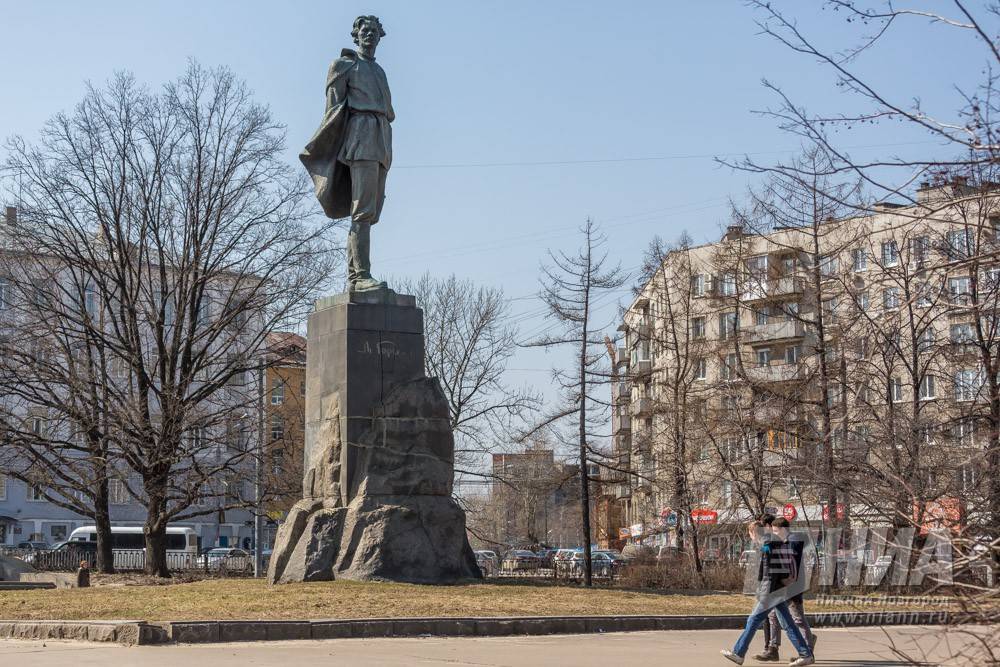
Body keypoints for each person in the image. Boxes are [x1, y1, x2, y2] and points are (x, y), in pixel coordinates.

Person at [300, 15, 394, 292]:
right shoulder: (344, 66)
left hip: (381, 138)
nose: (370, 35)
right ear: (356, 35)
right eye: (365, 31)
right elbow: (333, 112)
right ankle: (360, 276)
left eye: (374, 31)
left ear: (380, 36)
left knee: (371, 212)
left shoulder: (379, 71)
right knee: (362, 211)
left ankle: (357, 276)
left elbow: (389, 109)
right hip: (361, 136)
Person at [721, 518, 814, 666]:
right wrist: (784, 578)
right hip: (777, 589)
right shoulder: (770, 542)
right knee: (788, 623)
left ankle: (738, 653)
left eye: (751, 534)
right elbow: (779, 561)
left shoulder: (767, 541)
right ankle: (806, 654)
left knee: (753, 619)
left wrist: (765, 590)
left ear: (753, 532)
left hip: (771, 590)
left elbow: (771, 563)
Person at [754, 517, 817, 662]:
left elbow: (789, 558)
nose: (774, 533)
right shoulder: (782, 541)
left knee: (798, 619)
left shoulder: (793, 540)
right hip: (781, 586)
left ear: (783, 529)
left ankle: (808, 651)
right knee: (773, 617)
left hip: (793, 586)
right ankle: (773, 649)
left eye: (776, 531)